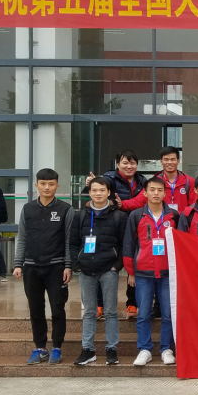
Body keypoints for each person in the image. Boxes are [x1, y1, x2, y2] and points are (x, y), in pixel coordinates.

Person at [13, 168, 74, 365]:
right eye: (43, 184)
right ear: (36, 185)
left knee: (58, 308)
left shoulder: (66, 209)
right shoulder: (28, 209)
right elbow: (22, 237)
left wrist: (68, 265)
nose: (47, 187)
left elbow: (69, 240)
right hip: (31, 267)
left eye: (51, 184)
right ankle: (40, 347)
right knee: (36, 309)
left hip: (56, 267)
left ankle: (56, 347)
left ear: (57, 186)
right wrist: (18, 263)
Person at [122, 177, 180, 366]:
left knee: (168, 314)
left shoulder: (174, 216)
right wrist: (131, 271)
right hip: (143, 272)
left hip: (167, 273)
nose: (156, 193)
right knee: (144, 313)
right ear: (145, 193)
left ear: (165, 193)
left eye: (160, 190)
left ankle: (166, 349)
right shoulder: (136, 215)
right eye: (152, 190)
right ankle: (144, 349)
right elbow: (129, 244)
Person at [70, 177, 126, 366]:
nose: (98, 193)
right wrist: (77, 264)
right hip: (86, 270)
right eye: (94, 190)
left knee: (110, 311)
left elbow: (124, 244)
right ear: (89, 192)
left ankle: (112, 349)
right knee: (89, 312)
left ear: (108, 192)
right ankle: (87, 350)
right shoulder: (80, 216)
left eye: (102, 190)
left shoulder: (119, 216)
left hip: (108, 270)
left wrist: (116, 266)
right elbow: (73, 243)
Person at [85, 150, 147, 320]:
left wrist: (122, 204)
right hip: (111, 225)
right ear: (118, 164)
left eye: (132, 163)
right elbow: (98, 196)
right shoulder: (109, 178)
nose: (129, 166)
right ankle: (99, 304)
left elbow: (143, 200)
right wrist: (91, 183)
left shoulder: (142, 181)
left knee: (134, 264)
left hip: (135, 226)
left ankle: (132, 304)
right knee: (104, 263)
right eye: (125, 162)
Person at [118, 146, 197, 213]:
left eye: (173, 159)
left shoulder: (189, 181)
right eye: (166, 159)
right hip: (161, 222)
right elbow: (140, 201)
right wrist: (121, 204)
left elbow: (195, 204)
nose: (169, 162)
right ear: (161, 161)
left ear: (178, 161)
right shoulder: (154, 182)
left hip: (182, 222)